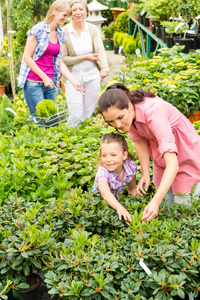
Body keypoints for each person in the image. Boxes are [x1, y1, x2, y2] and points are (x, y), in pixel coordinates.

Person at [98, 83, 200, 222]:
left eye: (120, 117)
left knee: (184, 209)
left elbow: (173, 164)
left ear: (129, 105)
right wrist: (145, 172)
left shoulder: (153, 111)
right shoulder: (129, 117)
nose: (118, 125)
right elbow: (139, 140)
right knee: (165, 206)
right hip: (161, 155)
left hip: (184, 154)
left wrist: (155, 201)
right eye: (111, 121)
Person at [17, 0, 84, 117]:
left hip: (50, 84)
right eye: (64, 15)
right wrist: (44, 77)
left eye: (67, 16)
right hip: (34, 83)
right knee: (40, 122)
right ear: (54, 12)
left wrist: (74, 81)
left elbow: (60, 63)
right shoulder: (38, 30)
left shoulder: (61, 34)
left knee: (52, 120)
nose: (66, 19)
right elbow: (27, 57)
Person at [62, 0, 109, 127]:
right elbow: (63, 59)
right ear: (70, 13)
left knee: (88, 114)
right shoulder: (64, 31)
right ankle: (69, 140)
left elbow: (100, 49)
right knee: (75, 115)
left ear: (86, 12)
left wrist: (104, 66)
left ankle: (83, 142)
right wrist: (84, 58)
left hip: (92, 76)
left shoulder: (92, 29)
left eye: (81, 9)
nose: (78, 12)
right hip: (72, 78)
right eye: (75, 10)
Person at [93, 132, 137, 222]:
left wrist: (134, 208)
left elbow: (132, 190)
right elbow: (106, 194)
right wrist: (119, 208)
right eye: (104, 155)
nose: (108, 159)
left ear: (124, 155)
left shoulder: (130, 167)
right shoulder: (102, 173)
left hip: (117, 202)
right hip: (99, 204)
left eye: (113, 155)